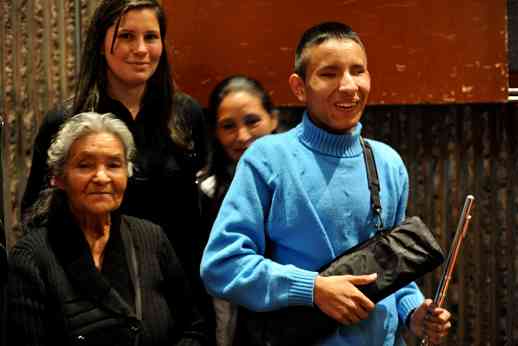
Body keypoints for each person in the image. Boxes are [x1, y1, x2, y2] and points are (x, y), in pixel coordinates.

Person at [201, 22, 451, 345]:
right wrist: (314, 289)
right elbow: (222, 265)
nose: (348, 86)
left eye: (357, 71)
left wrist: (414, 313)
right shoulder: (267, 159)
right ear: (299, 87)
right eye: (329, 74)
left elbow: (393, 267)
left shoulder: (388, 163)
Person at [21, 0, 206, 282]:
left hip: (178, 283)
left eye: (151, 37)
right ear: (100, 43)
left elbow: (199, 214)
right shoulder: (65, 121)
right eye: (126, 36)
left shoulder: (187, 114)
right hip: (92, 285)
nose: (141, 49)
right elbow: (36, 215)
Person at [8, 112, 206, 346]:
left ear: (127, 173)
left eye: (114, 165)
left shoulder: (152, 238)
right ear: (59, 178)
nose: (102, 177)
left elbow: (195, 328)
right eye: (85, 165)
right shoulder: (31, 257)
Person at [197, 75, 278, 346]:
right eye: (228, 126)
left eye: (252, 121)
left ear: (273, 119)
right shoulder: (206, 192)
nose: (242, 136)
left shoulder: (301, 181)